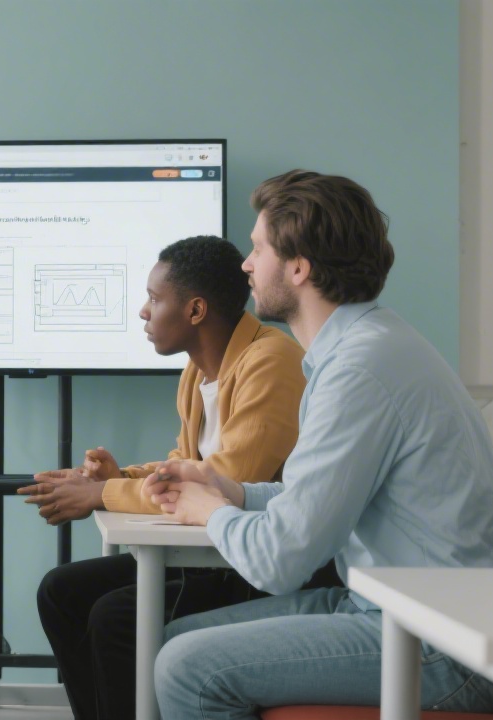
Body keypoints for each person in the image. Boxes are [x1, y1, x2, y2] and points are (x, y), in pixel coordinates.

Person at [147, 170, 493, 718]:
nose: (246, 265)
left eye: (258, 249)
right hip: (385, 608)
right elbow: (311, 500)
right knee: (171, 639)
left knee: (187, 668)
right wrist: (233, 491)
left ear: (299, 266)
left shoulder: (359, 370)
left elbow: (278, 560)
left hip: (442, 645)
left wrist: (210, 512)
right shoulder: (360, 349)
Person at [20, 236, 312, 720]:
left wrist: (101, 494)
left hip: (249, 564)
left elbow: (220, 483)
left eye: (155, 300)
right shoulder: (197, 373)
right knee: (61, 591)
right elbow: (184, 460)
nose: (143, 312)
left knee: (113, 617)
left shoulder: (271, 362)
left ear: (195, 310)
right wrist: (123, 476)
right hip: (209, 552)